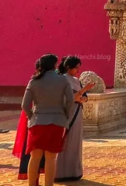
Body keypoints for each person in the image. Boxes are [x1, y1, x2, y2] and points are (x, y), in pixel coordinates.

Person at [21, 54, 74, 186]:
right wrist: (65, 114)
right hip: (57, 120)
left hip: (37, 121)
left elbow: (24, 105)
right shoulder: (62, 80)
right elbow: (70, 101)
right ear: (54, 65)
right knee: (51, 158)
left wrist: (31, 116)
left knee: (35, 157)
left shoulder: (34, 80)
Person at [56, 56, 94, 182]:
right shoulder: (62, 79)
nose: (78, 70)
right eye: (76, 67)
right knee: (65, 141)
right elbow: (69, 98)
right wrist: (83, 91)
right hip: (67, 114)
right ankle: (60, 172)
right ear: (68, 67)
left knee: (75, 142)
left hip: (77, 112)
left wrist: (83, 96)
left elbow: (84, 97)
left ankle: (74, 171)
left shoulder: (76, 80)